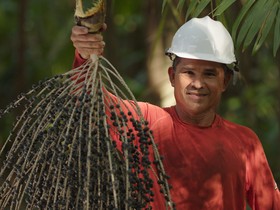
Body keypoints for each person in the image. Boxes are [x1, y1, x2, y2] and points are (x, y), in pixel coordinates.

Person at [70, 16, 280, 209]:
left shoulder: (245, 142)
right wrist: (85, 54)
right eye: (188, 72)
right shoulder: (145, 123)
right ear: (172, 76)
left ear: (224, 81)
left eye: (209, 74)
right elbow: (89, 101)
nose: (198, 83)